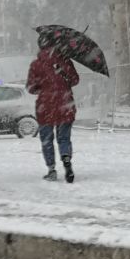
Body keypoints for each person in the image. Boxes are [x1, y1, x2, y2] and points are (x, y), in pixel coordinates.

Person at [26, 36, 79, 183]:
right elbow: (75, 80)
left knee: (47, 139)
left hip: (45, 107)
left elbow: (30, 87)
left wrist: (42, 87)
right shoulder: (65, 61)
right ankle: (66, 159)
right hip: (65, 104)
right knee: (64, 138)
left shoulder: (36, 64)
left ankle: (51, 169)